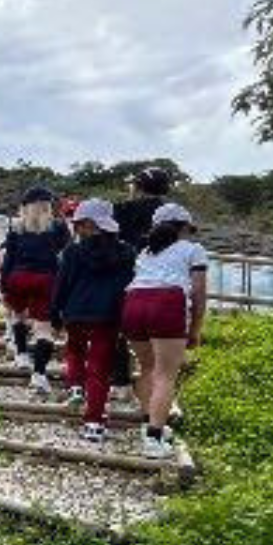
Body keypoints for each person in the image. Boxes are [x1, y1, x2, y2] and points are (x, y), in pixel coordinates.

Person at [121, 203, 208, 458]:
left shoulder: (146, 252)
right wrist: (195, 329)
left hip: (134, 302)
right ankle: (154, 438)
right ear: (183, 227)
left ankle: (149, 423)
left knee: (146, 368)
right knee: (166, 375)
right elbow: (199, 293)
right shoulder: (194, 250)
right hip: (168, 303)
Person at [51, 199, 136, 442]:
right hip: (108, 316)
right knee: (99, 369)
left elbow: (62, 284)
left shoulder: (73, 252)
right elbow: (128, 287)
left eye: (79, 224)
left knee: (75, 351)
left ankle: (76, 386)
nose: (76, 229)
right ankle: (94, 423)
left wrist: (55, 312)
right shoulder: (127, 252)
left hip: (76, 311)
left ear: (89, 224)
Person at [0, 186, 70, 396]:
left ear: (25, 206)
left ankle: (21, 354)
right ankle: (39, 375)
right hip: (47, 279)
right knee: (44, 330)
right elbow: (64, 253)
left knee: (18, 316)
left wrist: (4, 285)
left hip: (18, 277)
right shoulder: (58, 227)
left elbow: (8, 260)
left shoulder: (16, 228)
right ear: (49, 206)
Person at [111, 166, 173, 399]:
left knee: (120, 326)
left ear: (138, 186)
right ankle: (157, 386)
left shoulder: (122, 209)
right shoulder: (170, 213)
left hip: (126, 272)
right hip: (162, 277)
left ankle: (121, 381)